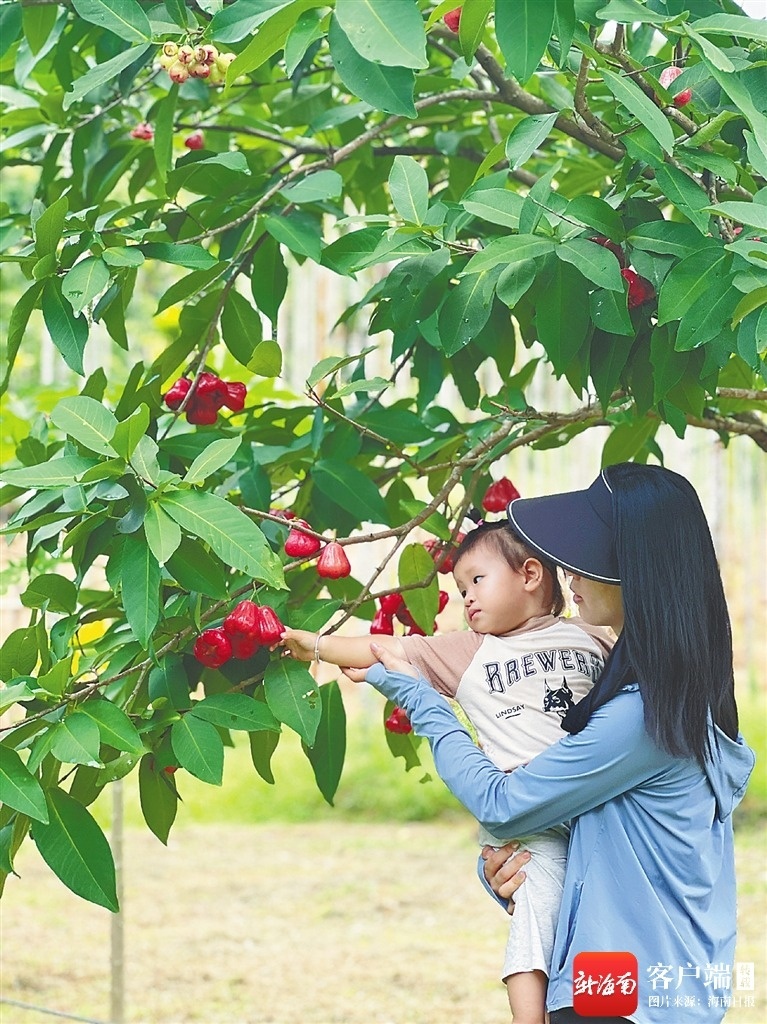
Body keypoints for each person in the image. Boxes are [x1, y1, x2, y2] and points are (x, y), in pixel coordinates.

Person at [351, 463, 755, 1024]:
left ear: (636, 569)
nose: (571, 575)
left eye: (588, 558)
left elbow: (501, 803)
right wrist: (519, 870)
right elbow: (621, 852)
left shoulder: (643, 719)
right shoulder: (683, 700)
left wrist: (422, 701)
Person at [281, 522, 613, 1024]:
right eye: (460, 590)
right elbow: (384, 650)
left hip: (597, 809)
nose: (467, 600)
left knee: (595, 927)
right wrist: (315, 645)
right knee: (537, 914)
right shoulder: (469, 651)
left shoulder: (593, 637)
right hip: (528, 815)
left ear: (529, 574)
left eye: (477, 581)